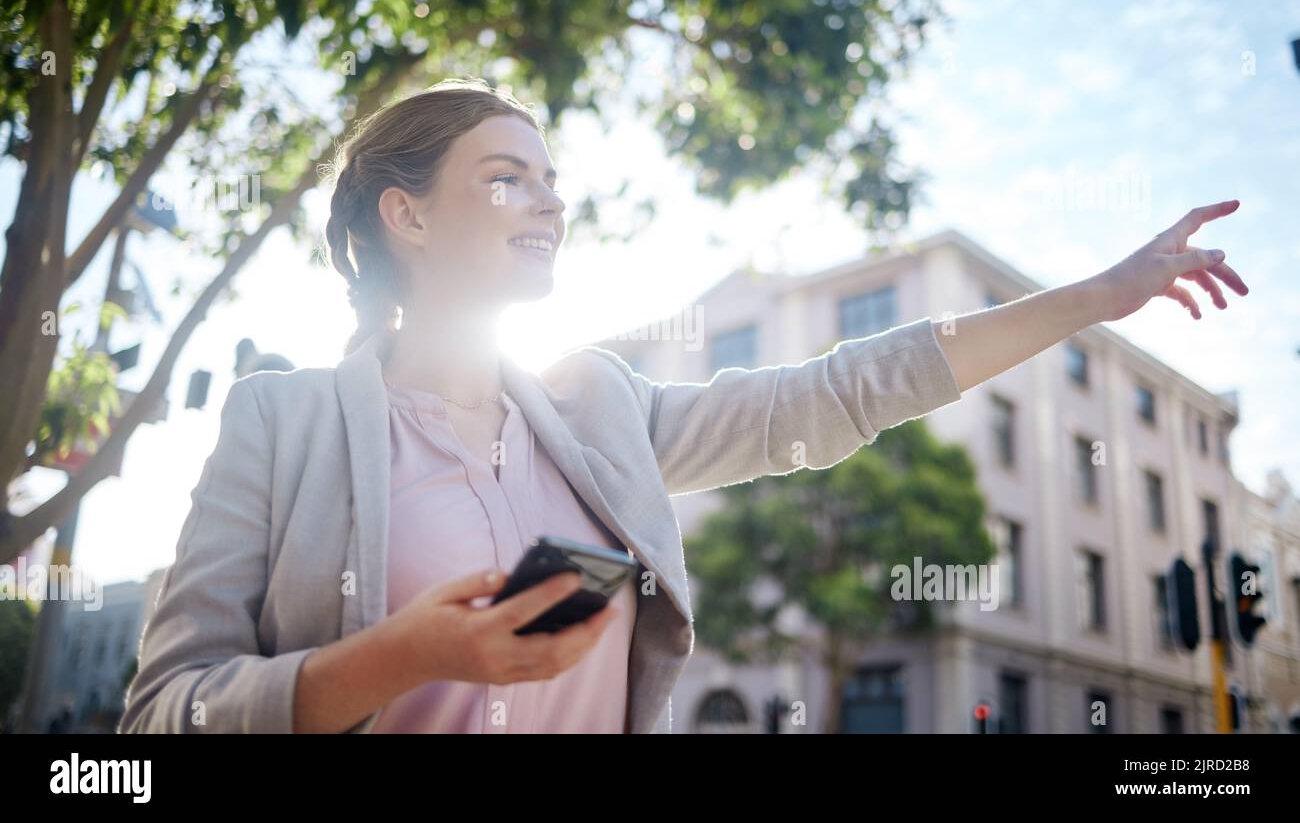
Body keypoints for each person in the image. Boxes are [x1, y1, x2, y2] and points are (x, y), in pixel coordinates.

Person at [118, 77, 1249, 734]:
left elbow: (839, 389)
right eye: (508, 177)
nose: (550, 204)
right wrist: (394, 655)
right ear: (404, 217)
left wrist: (1099, 295)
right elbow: (161, 714)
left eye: (554, 182)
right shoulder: (282, 423)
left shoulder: (599, 408)